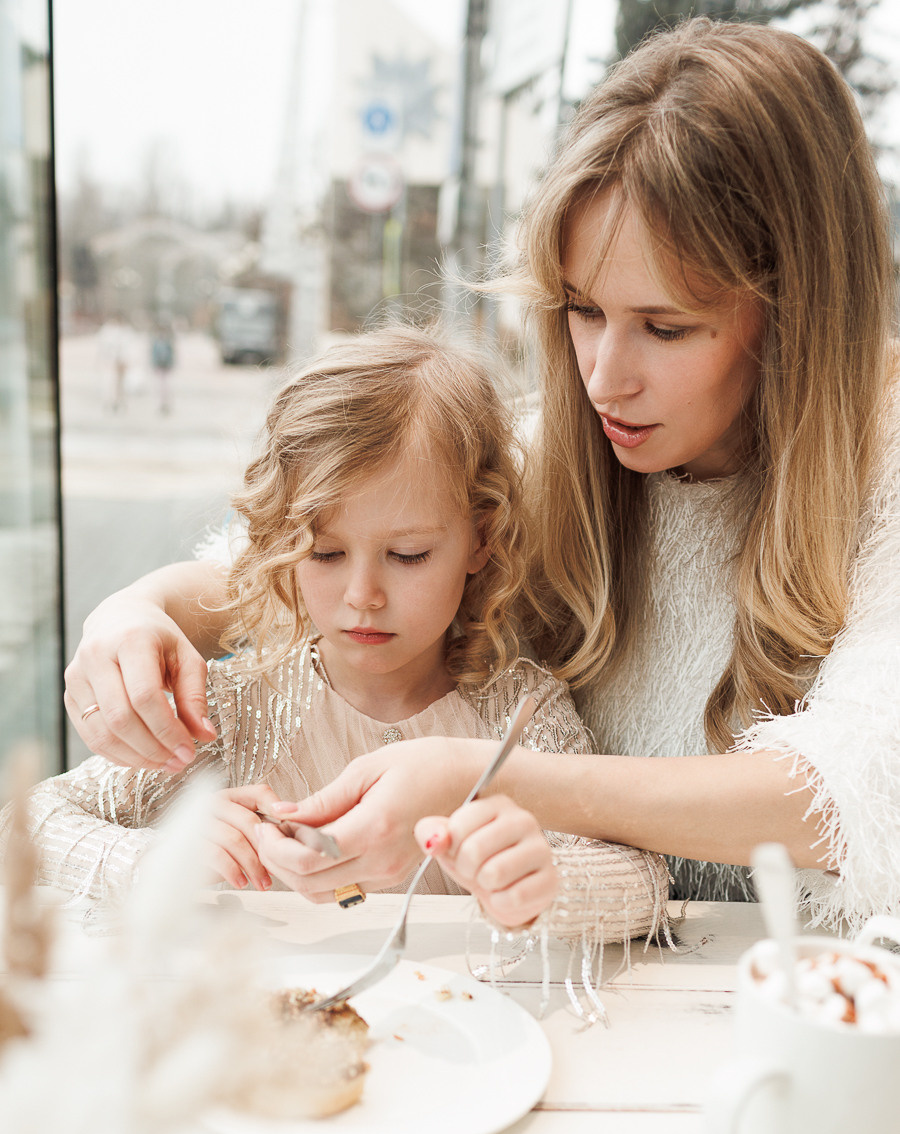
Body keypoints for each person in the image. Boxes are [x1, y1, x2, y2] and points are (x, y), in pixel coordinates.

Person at [61, 20, 899, 930]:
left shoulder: (882, 463)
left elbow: (852, 796)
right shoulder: (559, 453)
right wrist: (133, 613)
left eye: (666, 327)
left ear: (794, 311)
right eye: (581, 310)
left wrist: (484, 775)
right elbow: (287, 559)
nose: (603, 377)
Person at [6, 326, 668, 960]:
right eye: (323, 553)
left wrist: (540, 879)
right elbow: (30, 820)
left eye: (407, 555)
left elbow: (642, 877)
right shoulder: (233, 711)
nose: (363, 595)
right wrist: (173, 855)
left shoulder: (519, 710)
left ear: (481, 539)